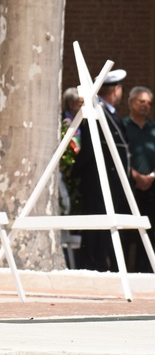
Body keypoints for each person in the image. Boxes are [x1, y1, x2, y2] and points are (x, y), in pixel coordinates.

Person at [73, 68, 132, 272]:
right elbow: (90, 147)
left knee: (108, 226)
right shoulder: (97, 112)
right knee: (97, 224)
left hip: (113, 181)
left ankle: (101, 262)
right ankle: (92, 264)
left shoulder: (109, 112)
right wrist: (75, 171)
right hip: (99, 180)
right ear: (115, 90)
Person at [123, 86, 155, 272]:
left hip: (151, 188)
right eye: (141, 102)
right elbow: (119, 155)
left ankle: (147, 270)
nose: (145, 106)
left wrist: (150, 176)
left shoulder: (153, 128)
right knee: (128, 230)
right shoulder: (123, 126)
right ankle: (127, 269)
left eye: (148, 103)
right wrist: (135, 175)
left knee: (150, 230)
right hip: (130, 186)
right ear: (131, 103)